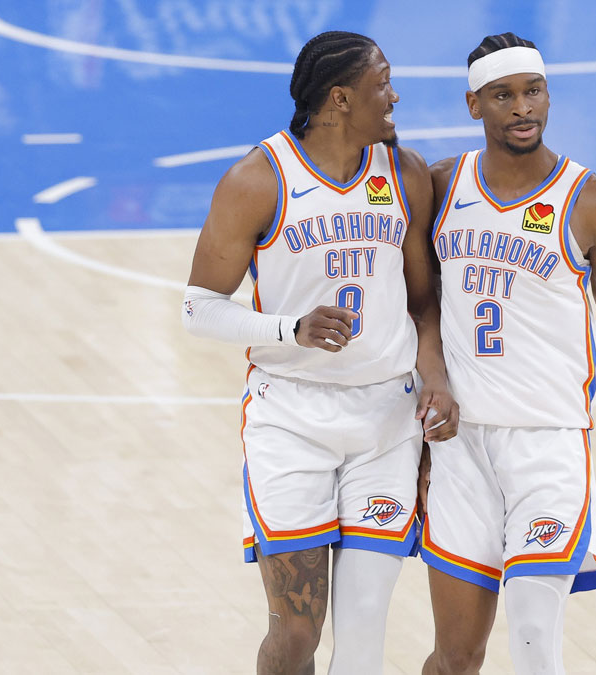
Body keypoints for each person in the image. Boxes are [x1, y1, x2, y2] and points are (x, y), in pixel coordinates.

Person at [181, 31, 458, 675]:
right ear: (339, 98)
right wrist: (290, 329)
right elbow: (197, 309)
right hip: (291, 421)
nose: (394, 95)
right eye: (382, 83)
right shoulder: (258, 179)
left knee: (362, 637)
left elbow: (424, 302)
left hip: (387, 422)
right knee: (298, 636)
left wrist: (436, 378)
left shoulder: (405, 175)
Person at [419, 32, 596, 674]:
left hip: (548, 446)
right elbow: (418, 303)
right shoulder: (441, 186)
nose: (522, 108)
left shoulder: (593, 201)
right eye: (503, 95)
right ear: (474, 105)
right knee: (455, 657)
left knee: (533, 647)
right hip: (459, 447)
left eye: (533, 91)